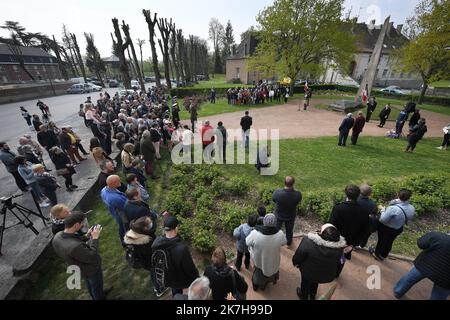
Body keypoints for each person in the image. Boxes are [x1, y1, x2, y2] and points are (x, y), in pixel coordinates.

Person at [52, 213, 111, 300]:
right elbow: (92, 256)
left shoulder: (58, 236)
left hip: (78, 268)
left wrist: (87, 236)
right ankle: (99, 296)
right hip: (90, 270)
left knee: (90, 285)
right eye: (82, 223)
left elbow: (74, 240)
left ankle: (97, 294)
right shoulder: (75, 247)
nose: (83, 224)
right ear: (76, 225)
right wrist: (95, 238)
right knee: (96, 285)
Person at [292, 224, 346, 300]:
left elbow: (299, 256)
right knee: (315, 281)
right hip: (324, 275)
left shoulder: (308, 241)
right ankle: (313, 294)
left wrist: (295, 262)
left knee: (305, 282)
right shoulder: (340, 249)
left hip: (308, 272)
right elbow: (341, 262)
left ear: (322, 234)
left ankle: (303, 295)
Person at [152, 216, 199, 297]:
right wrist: (197, 279)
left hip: (171, 280)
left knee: (176, 294)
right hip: (183, 281)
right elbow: (190, 269)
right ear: (176, 228)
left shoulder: (157, 244)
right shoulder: (181, 249)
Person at [394, 231, 450, 300]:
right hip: (447, 277)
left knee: (409, 279)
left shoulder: (437, 236)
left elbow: (421, 244)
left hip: (425, 265)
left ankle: (398, 291)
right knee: (439, 295)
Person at [328, 185, 369, 274]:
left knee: (331, 256)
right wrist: (353, 245)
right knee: (342, 259)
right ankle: (336, 273)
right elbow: (364, 231)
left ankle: (330, 271)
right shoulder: (364, 212)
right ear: (358, 195)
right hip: (349, 242)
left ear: (346, 194)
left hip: (336, 240)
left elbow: (331, 225)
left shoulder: (338, 208)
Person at [123, 216, 165, 296]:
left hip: (144, 260)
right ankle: (159, 289)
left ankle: (157, 287)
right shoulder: (145, 242)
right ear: (144, 228)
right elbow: (153, 252)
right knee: (155, 272)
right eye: (149, 224)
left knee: (154, 272)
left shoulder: (136, 234)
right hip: (149, 261)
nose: (151, 224)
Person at [370, 189, 415, 261]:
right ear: (409, 197)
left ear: (398, 195)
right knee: (390, 241)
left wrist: (383, 209)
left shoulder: (393, 208)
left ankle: (377, 254)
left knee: (382, 241)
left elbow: (382, 220)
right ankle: (384, 255)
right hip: (398, 228)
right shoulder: (412, 208)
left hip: (386, 228)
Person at [246, 214, 287, 291]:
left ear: (264, 222)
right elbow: (284, 242)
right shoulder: (280, 233)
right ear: (275, 223)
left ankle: (256, 285)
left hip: (259, 262)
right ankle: (264, 285)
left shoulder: (255, 233)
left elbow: (247, 242)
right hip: (273, 261)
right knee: (270, 274)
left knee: (258, 274)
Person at [272, 176, 302, 246]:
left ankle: (275, 242)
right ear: (293, 183)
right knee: (289, 231)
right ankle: (288, 243)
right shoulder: (297, 194)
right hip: (290, 216)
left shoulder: (277, 193)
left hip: (279, 215)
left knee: (276, 229)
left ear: (284, 183)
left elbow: (274, 200)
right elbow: (298, 201)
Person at [101, 175, 127, 245]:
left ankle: (124, 241)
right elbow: (126, 207)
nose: (120, 182)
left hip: (114, 211)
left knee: (121, 226)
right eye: (118, 181)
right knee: (124, 227)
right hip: (121, 214)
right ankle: (126, 242)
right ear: (114, 183)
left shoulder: (104, 190)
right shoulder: (115, 198)